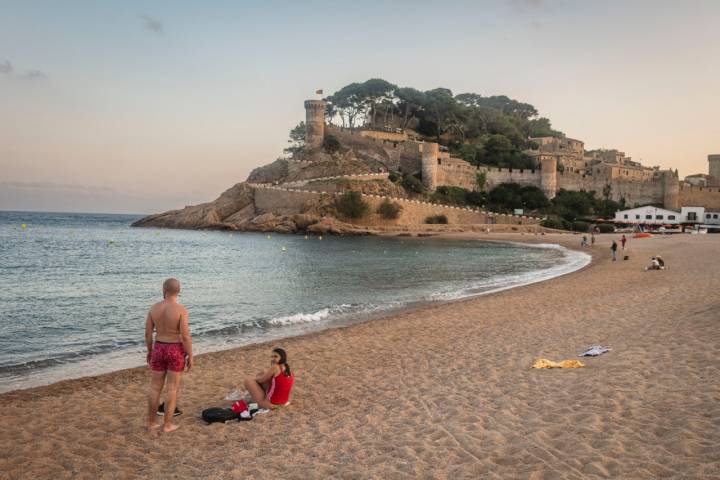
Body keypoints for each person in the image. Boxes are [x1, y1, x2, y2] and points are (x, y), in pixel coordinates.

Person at [146, 278, 193, 433]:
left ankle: (152, 422)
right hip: (175, 349)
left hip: (159, 347)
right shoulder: (181, 310)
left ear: (163, 290)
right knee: (172, 388)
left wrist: (150, 351)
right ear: (179, 291)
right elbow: (185, 336)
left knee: (154, 387)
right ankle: (167, 425)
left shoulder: (153, 308)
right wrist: (190, 355)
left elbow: (147, 333)